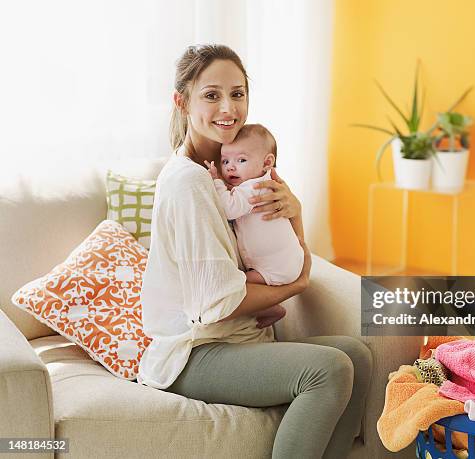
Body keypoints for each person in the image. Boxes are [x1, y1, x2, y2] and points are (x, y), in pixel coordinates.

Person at [136, 44, 372, 459]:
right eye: (211, 95)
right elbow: (219, 305)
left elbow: (285, 246)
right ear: (182, 101)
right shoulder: (190, 183)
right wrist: (295, 285)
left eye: (238, 93)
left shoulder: (236, 170)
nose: (228, 107)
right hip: (195, 352)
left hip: (236, 338)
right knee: (328, 370)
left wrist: (294, 210)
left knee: (356, 355)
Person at [206, 123, 303, 329]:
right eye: (225, 161)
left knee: (237, 286)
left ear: (267, 163)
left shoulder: (256, 188)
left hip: (276, 266)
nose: (230, 167)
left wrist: (216, 181)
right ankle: (273, 307)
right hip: (286, 262)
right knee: (240, 285)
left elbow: (230, 209)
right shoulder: (259, 184)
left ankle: (271, 308)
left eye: (241, 160)